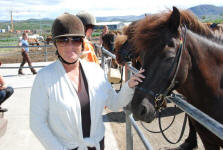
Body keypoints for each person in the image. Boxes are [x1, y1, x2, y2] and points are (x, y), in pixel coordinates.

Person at [30, 13, 145, 150]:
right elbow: (37, 123)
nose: (70, 46)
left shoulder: (95, 71)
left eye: (76, 40)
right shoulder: (44, 78)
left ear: (82, 43)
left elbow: (114, 104)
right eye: (63, 40)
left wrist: (129, 86)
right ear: (56, 44)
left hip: (97, 145)